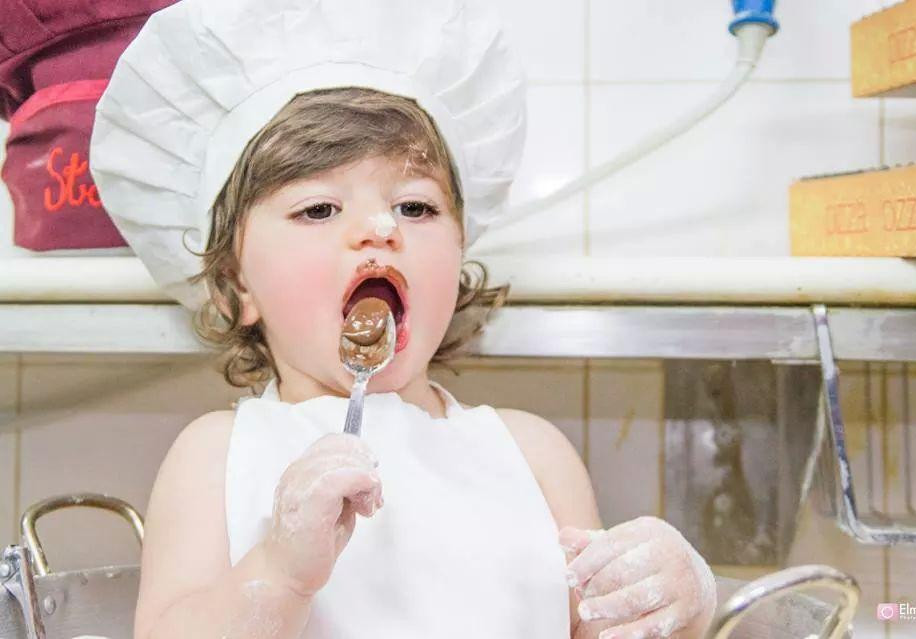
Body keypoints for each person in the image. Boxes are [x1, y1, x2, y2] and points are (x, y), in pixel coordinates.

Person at [89, 0, 717, 637]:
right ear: (235, 285)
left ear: (460, 249)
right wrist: (278, 572)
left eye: (415, 207)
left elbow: (604, 629)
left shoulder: (533, 454)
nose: (380, 228)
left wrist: (675, 608)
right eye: (318, 209)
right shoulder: (216, 455)